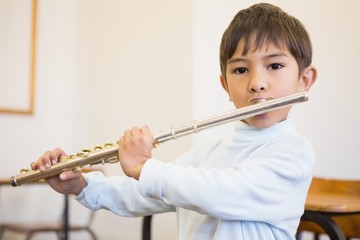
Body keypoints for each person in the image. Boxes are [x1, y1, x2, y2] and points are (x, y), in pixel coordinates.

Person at [32, 3, 317, 239]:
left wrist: (144, 167)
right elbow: (146, 193)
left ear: (304, 81)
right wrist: (82, 185)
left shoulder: (293, 153)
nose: (257, 83)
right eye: (241, 70)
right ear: (226, 86)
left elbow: (221, 191)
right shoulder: (208, 153)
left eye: (275, 66)